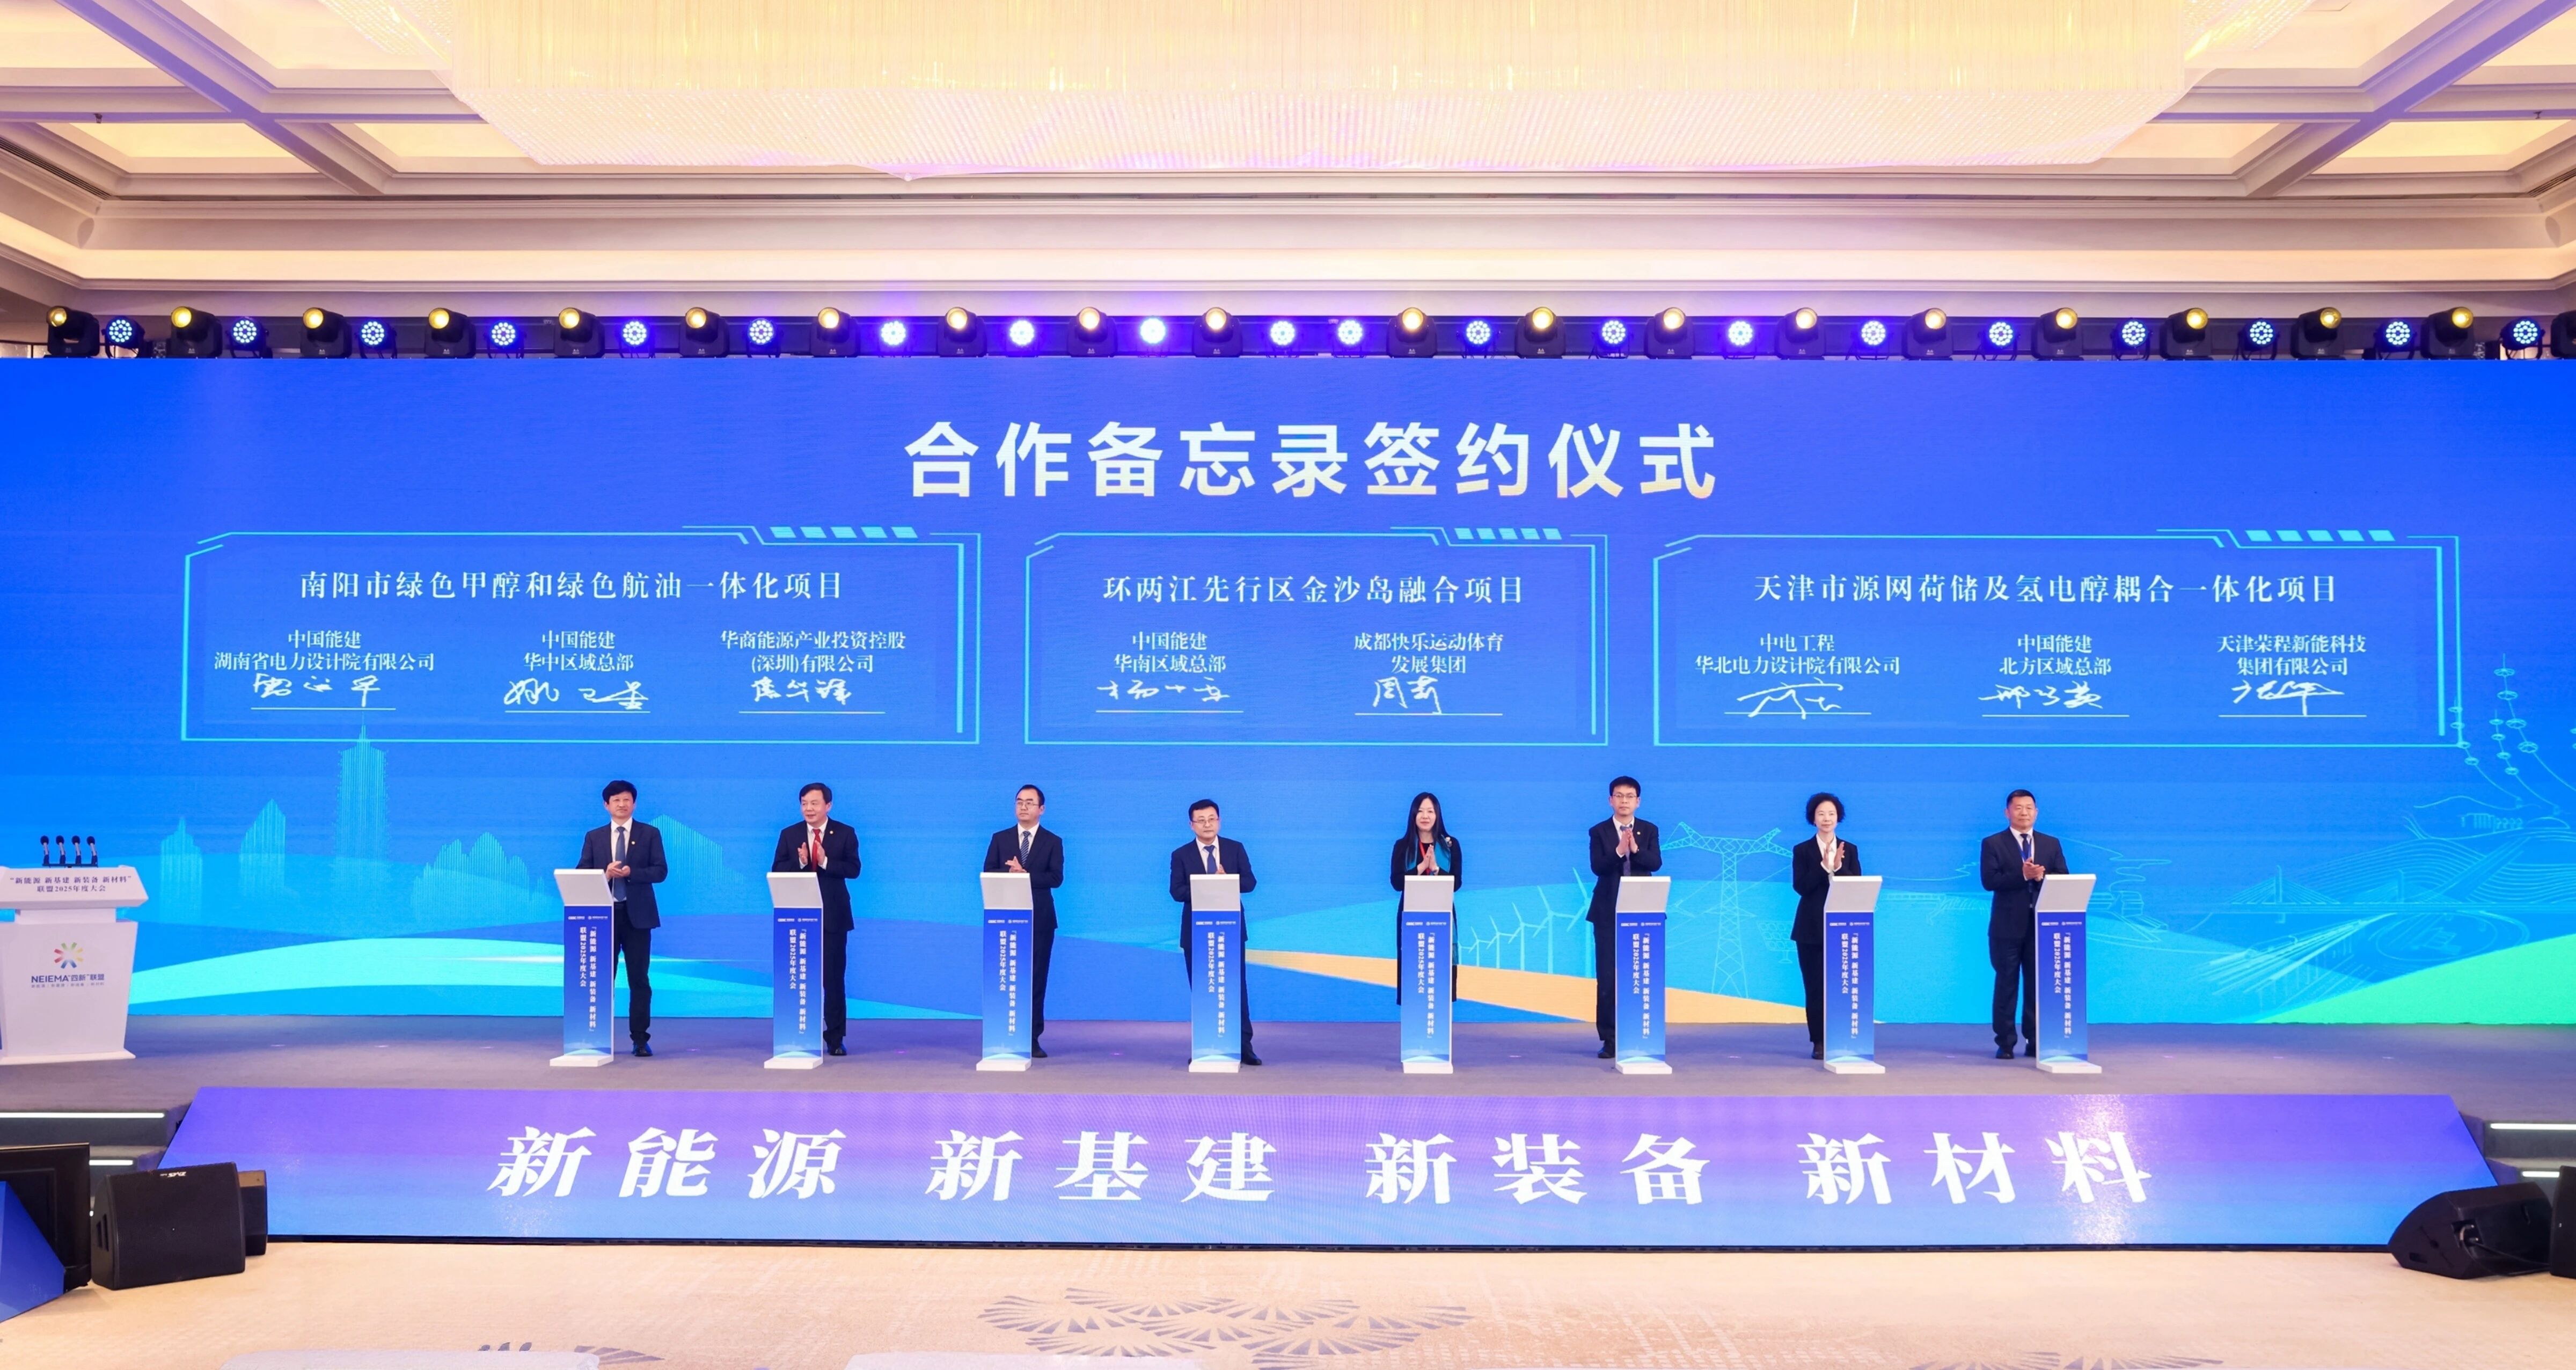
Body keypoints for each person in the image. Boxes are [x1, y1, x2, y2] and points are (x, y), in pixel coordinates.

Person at [575, 780, 668, 1057]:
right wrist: (605, 874)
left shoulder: (649, 834)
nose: (622, 804)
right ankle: (595, 1036)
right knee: (603, 979)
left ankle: (640, 1039)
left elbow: (660, 872)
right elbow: (582, 873)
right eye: (616, 800)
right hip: (603, 917)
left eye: (627, 800)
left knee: (639, 979)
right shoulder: (594, 837)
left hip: (638, 917)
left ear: (634, 804)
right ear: (607, 805)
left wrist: (631, 873)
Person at [771, 782, 861, 1056]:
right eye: (804, 803)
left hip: (833, 916)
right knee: (800, 978)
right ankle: (799, 1034)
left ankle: (835, 1038)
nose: (808, 809)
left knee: (833, 980)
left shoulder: (845, 833)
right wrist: (800, 863)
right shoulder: (790, 834)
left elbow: (854, 869)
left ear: (828, 806)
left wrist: (824, 862)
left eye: (814, 803)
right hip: (798, 916)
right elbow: (777, 869)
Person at [1168, 798, 1260, 1065]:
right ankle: (1206, 1046)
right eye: (1201, 820)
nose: (1207, 825)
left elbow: (1250, 883)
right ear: (1192, 825)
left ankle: (1244, 1047)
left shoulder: (1235, 849)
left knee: (1236, 989)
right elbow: (1177, 892)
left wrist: (1227, 881)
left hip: (1230, 931)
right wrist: (1208, 885)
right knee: (1204, 989)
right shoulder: (1181, 855)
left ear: (1219, 821)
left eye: (1211, 819)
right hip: (1196, 932)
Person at [1979, 788, 2068, 1060]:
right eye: (2018, 808)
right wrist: (2023, 875)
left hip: (2041, 926)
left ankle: (2035, 1039)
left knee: (2036, 985)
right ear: (2007, 812)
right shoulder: (1993, 843)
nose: (2024, 813)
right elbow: (1990, 881)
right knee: (2006, 984)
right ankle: (2005, 1042)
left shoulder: (2051, 844)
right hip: (2006, 927)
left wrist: (2041, 877)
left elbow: (2063, 877)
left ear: (2036, 812)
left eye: (2029, 808)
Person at [981, 784, 1064, 1057]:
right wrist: (1010, 875)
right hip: (1005, 919)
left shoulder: (1053, 841)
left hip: (1040, 920)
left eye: (1030, 802)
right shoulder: (1000, 838)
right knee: (1005, 978)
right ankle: (1003, 1035)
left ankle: (1032, 1038)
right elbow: (989, 871)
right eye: (1019, 802)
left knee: (1035, 979)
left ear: (1042, 809)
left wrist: (1024, 874)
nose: (1023, 807)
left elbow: (1056, 878)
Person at [1585, 775, 1662, 1060]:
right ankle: (1610, 1038)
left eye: (1630, 796)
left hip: (1642, 911)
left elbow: (1655, 863)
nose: (1624, 801)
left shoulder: (1649, 830)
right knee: (1608, 978)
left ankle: (1640, 1034)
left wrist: (1636, 850)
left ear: (1638, 802)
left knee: (1640, 975)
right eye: (1619, 796)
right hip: (1607, 912)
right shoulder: (1599, 831)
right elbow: (1598, 867)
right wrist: (1619, 851)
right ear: (1610, 801)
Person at [1788, 791, 1861, 1061]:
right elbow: (1801, 887)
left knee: (1842, 986)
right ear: (1813, 818)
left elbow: (1856, 885)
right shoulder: (1802, 850)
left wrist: (1839, 868)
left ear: (1838, 817)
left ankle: (1842, 1037)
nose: (1827, 819)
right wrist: (1824, 866)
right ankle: (1819, 1041)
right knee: (1815, 987)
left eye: (1831, 814)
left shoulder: (1850, 849)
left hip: (1844, 928)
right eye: (1821, 814)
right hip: (1810, 929)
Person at [1387, 791, 1463, 1005]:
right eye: (1420, 811)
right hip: (1411, 916)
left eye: (1430, 811)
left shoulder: (1450, 846)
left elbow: (1456, 884)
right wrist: (1420, 868)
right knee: (1415, 970)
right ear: (1413, 815)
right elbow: (1396, 883)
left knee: (1441, 978)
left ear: (1438, 815)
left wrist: (1436, 869)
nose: (1425, 816)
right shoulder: (1402, 846)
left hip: (1442, 916)